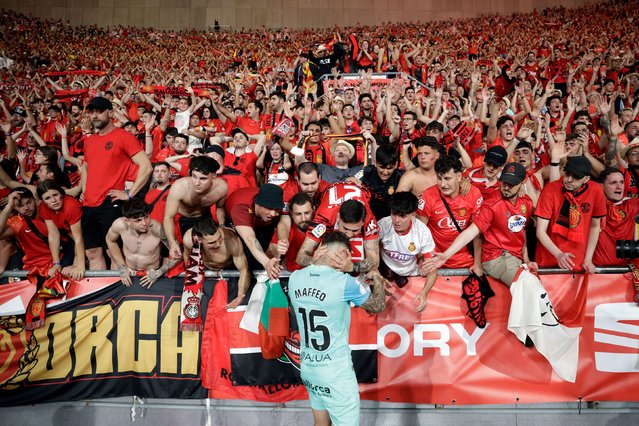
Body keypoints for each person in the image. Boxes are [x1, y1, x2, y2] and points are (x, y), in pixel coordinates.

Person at [289, 231, 385, 426]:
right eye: (350, 254)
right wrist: (376, 277)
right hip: (335, 373)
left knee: (320, 424)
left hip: (309, 368)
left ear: (320, 250)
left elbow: (311, 269)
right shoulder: (344, 283)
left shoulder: (295, 278)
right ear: (343, 254)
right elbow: (378, 306)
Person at [424, 163, 537, 286]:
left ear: (522, 182)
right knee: (526, 286)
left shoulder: (527, 203)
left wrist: (527, 259)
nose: (506, 187)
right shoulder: (491, 205)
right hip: (496, 257)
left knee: (535, 289)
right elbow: (471, 232)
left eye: (512, 184)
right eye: (504, 182)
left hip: (515, 257)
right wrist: (446, 255)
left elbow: (522, 231)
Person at [82, 96, 152, 270]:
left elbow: (146, 166)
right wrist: (84, 190)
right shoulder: (89, 141)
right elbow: (86, 167)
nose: (95, 116)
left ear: (111, 112)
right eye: (92, 112)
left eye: (99, 111)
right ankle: (99, 296)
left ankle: (115, 295)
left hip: (109, 204)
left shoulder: (124, 136)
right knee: (92, 253)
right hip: (88, 204)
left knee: (113, 252)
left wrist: (129, 194)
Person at [535, 155, 606, 272]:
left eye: (576, 177)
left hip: (579, 260)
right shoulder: (550, 189)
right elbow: (540, 231)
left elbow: (595, 226)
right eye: (567, 174)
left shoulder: (596, 190)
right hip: (549, 259)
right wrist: (558, 255)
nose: (569, 180)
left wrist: (588, 259)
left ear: (587, 179)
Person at [417, 155, 483, 271]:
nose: (443, 184)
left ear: (459, 177)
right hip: (435, 261)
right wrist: (423, 258)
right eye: (439, 178)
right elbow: (420, 231)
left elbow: (477, 234)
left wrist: (477, 263)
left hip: (466, 261)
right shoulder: (428, 196)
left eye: (447, 179)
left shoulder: (473, 194)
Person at [297, 184, 380, 273]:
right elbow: (300, 257)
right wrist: (313, 261)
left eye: (355, 230)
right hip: (331, 188)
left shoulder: (369, 220)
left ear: (363, 222)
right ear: (338, 217)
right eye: (345, 228)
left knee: (375, 272)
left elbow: (375, 262)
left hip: (360, 189)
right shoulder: (323, 220)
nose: (349, 235)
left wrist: (353, 267)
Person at [378, 192, 437, 312]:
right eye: (393, 214)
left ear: (413, 215)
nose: (396, 220)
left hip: (410, 274)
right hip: (384, 273)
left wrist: (424, 293)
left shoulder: (423, 232)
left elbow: (432, 270)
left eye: (402, 216)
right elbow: (371, 251)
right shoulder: (383, 225)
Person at [163, 155, 228, 258]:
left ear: (214, 175)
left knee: (213, 253)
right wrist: (172, 242)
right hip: (184, 220)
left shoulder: (222, 188)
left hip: (205, 217)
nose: (196, 183)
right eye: (194, 176)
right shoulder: (180, 187)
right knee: (185, 256)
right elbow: (168, 217)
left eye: (203, 178)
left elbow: (220, 208)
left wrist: (222, 226)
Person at [106, 199, 179, 288]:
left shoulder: (157, 229)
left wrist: (159, 272)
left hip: (151, 276)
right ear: (128, 221)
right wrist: (122, 266)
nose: (144, 223)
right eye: (138, 220)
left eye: (146, 217)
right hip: (129, 274)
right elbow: (110, 240)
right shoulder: (120, 225)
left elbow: (178, 254)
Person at [182, 218, 251, 309]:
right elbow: (188, 260)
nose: (218, 244)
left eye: (219, 238)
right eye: (212, 242)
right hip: (204, 268)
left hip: (230, 269)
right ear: (199, 240)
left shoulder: (231, 240)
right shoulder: (188, 240)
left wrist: (240, 295)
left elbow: (244, 270)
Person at [225, 183, 286, 278]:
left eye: (276, 209)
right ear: (258, 203)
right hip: (239, 220)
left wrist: (283, 239)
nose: (273, 213)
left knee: (257, 260)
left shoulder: (275, 204)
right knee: (243, 257)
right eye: (269, 208)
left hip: (262, 224)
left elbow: (282, 222)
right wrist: (266, 263)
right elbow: (250, 239)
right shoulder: (240, 207)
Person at [37, 179, 86, 280]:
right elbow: (53, 235)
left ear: (62, 193)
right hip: (71, 239)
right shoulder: (43, 207)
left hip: (86, 234)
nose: (53, 200)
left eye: (55, 195)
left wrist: (79, 265)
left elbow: (78, 238)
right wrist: (56, 263)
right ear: (43, 201)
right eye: (47, 198)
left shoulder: (71, 205)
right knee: (60, 271)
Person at [0, 187, 55, 274]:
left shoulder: (48, 209)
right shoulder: (17, 222)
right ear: (14, 208)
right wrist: (9, 206)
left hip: (61, 262)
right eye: (20, 206)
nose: (26, 208)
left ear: (34, 199)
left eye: (29, 202)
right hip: (35, 269)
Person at [593, 168, 639, 266]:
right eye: (613, 183)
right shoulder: (592, 205)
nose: (619, 187)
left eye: (622, 182)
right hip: (596, 271)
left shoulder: (632, 204)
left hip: (624, 272)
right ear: (601, 186)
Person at [269, 192, 315, 272]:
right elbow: (271, 250)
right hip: (293, 275)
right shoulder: (287, 230)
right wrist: (278, 250)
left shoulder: (322, 227)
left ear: (313, 210)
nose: (303, 218)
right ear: (291, 213)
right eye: (298, 214)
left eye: (307, 213)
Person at [360, 143, 404, 220]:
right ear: (376, 163)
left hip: (392, 220)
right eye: (381, 167)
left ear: (396, 165)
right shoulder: (366, 172)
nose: (385, 172)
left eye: (389, 168)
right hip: (369, 218)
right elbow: (352, 181)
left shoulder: (402, 178)